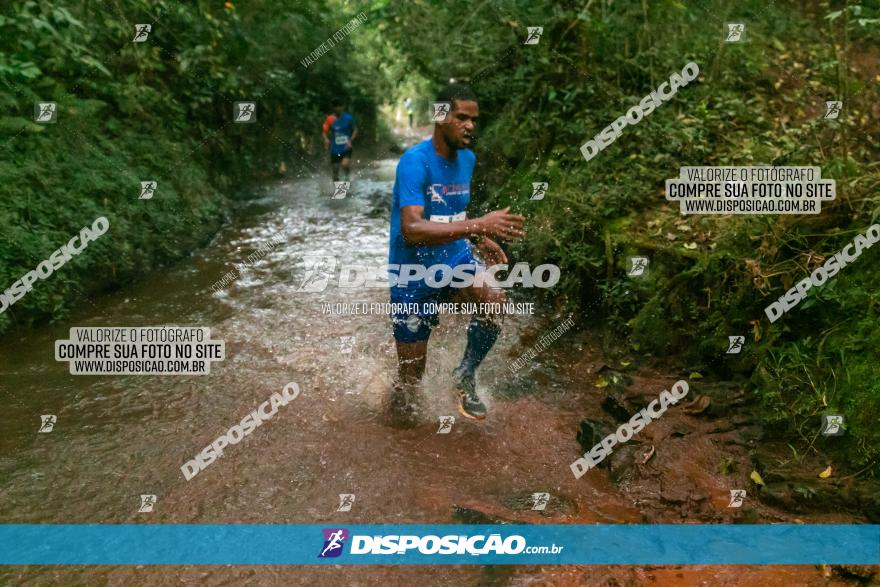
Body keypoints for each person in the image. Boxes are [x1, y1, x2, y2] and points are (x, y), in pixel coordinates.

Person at [388, 83, 525, 421]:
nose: (470, 126)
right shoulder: (413, 162)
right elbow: (413, 228)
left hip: (454, 258)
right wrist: (480, 226)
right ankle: (395, 432)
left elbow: (455, 209)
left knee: (494, 302)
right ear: (440, 116)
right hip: (413, 275)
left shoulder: (468, 159)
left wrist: (479, 239)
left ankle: (465, 373)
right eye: (462, 117)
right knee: (410, 384)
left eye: (473, 120)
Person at [322, 102, 357, 181]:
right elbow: (324, 132)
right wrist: (326, 139)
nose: (337, 108)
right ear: (333, 108)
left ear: (342, 107)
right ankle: (337, 190)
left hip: (346, 147)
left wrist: (350, 140)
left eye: (339, 106)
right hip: (335, 149)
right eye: (335, 106)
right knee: (335, 170)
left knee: (344, 165)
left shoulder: (348, 118)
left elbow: (355, 130)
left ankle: (348, 178)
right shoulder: (329, 119)